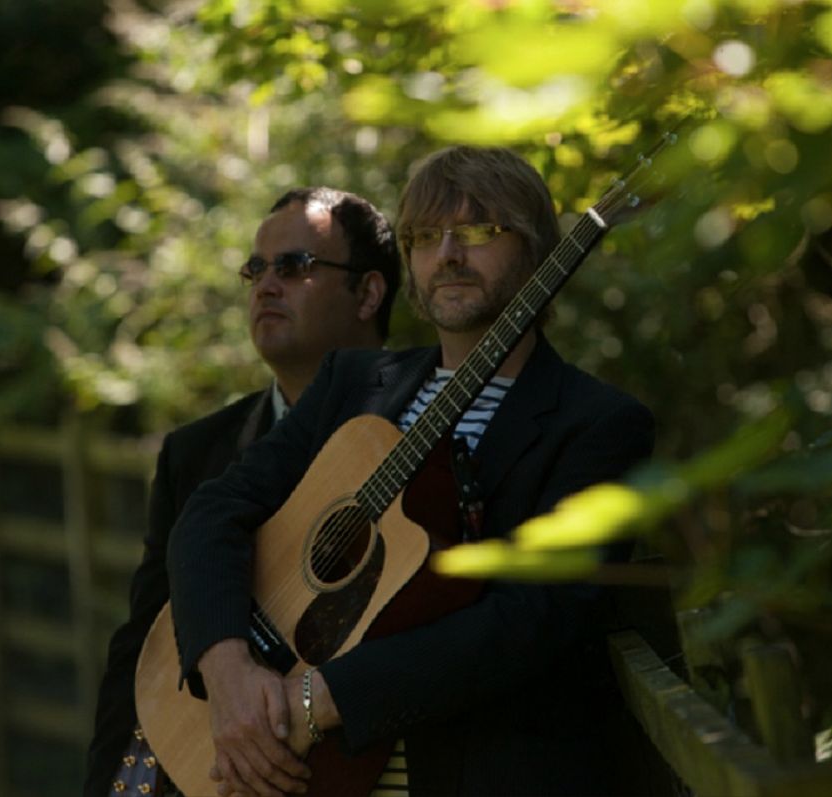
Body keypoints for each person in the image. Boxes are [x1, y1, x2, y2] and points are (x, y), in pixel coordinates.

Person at [167, 146, 657, 797]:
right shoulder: (352, 382)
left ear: (537, 252)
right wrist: (227, 671)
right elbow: (214, 510)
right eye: (425, 236)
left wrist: (317, 698)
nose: (448, 253)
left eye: (480, 231)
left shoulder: (598, 423)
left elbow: (533, 617)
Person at [84, 186, 400, 797]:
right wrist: (109, 786)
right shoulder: (194, 453)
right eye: (255, 269)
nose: (266, 285)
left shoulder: (421, 429)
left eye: (295, 266)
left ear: (368, 293)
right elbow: (143, 639)